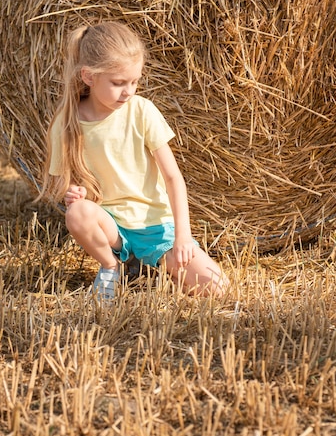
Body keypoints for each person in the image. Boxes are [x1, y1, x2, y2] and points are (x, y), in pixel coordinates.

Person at [40, 21, 228, 300]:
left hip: (155, 227)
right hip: (112, 228)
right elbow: (59, 184)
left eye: (135, 81)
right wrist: (71, 192)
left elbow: (173, 178)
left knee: (217, 289)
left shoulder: (142, 111)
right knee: (78, 213)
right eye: (118, 83)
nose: (128, 91)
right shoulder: (67, 124)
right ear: (89, 77)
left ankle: (149, 268)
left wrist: (183, 237)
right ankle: (112, 266)